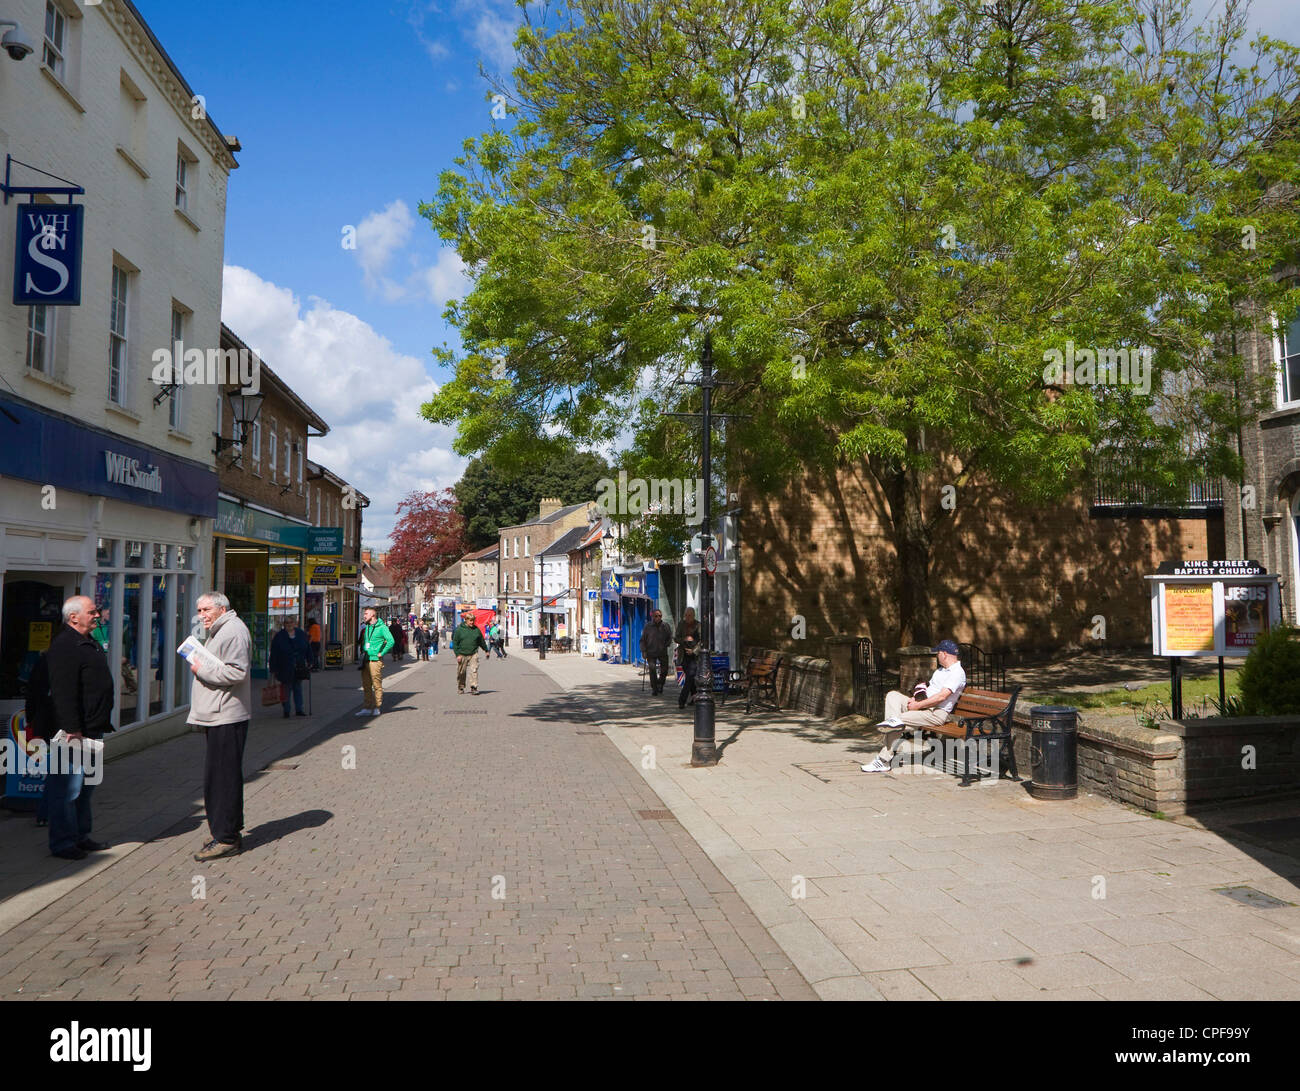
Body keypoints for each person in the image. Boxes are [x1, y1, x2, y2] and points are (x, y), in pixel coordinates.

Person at [43, 596, 115, 861]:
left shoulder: (89, 641)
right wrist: (72, 728)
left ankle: (80, 835)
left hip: (93, 729)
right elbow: (63, 692)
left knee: (86, 786)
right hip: (74, 733)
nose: (97, 615)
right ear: (74, 617)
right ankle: (62, 842)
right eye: (91, 612)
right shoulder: (65, 646)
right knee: (67, 789)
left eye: (96, 611)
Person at [187, 591, 253, 861]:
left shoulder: (233, 631)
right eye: (199, 611)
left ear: (222, 608)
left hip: (226, 715)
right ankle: (226, 830)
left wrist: (200, 668)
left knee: (222, 778)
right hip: (220, 714)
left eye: (205, 610)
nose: (201, 615)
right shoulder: (222, 629)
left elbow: (237, 671)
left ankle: (226, 837)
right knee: (219, 776)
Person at [861, 639, 967, 773]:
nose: (937, 656)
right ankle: (892, 724)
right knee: (893, 696)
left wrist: (917, 705)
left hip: (936, 713)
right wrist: (914, 699)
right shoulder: (940, 671)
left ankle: (883, 760)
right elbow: (929, 691)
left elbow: (941, 697)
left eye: (938, 653)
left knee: (900, 719)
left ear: (944, 654)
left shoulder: (957, 673)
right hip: (923, 706)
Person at [268, 617, 310, 719]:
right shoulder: (279, 636)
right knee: (286, 689)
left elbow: (307, 648)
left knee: (297, 688)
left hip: (299, 666)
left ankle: (299, 709)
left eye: (291, 622)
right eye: (286, 623)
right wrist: (273, 668)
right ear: (284, 624)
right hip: (284, 667)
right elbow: (274, 653)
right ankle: (286, 710)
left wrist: (311, 661)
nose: (289, 624)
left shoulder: (300, 634)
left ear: (294, 623)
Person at [357, 607, 394, 717]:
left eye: (366, 614)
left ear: (373, 615)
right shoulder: (367, 627)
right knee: (366, 684)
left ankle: (377, 706)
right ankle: (367, 707)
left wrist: (381, 653)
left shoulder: (382, 628)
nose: (364, 616)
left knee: (376, 684)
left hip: (375, 660)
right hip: (366, 659)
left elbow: (391, 641)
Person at [451, 609, 489, 695]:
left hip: (473, 653)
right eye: (470, 621)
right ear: (466, 620)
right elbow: (455, 643)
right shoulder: (459, 630)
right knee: (461, 672)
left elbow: (481, 641)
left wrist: (486, 650)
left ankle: (474, 687)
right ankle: (461, 687)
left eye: (473, 621)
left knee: (474, 670)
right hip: (462, 654)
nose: (472, 623)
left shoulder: (476, 630)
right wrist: (457, 655)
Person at [640, 609, 673, 695]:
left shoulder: (665, 626)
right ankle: (654, 688)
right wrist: (643, 651)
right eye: (656, 616)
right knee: (652, 669)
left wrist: (667, 644)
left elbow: (670, 637)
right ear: (652, 617)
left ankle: (660, 684)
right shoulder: (648, 627)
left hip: (662, 651)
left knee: (664, 670)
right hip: (651, 652)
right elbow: (642, 640)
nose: (658, 617)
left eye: (660, 616)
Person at [674, 608, 701, 708]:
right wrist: (684, 640)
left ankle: (682, 700)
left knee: (690, 676)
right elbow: (676, 638)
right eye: (686, 615)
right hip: (683, 655)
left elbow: (702, 641)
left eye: (689, 615)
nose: (687, 617)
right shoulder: (681, 624)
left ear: (693, 616)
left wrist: (694, 650)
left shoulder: (698, 625)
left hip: (694, 656)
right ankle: (694, 697)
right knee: (691, 678)